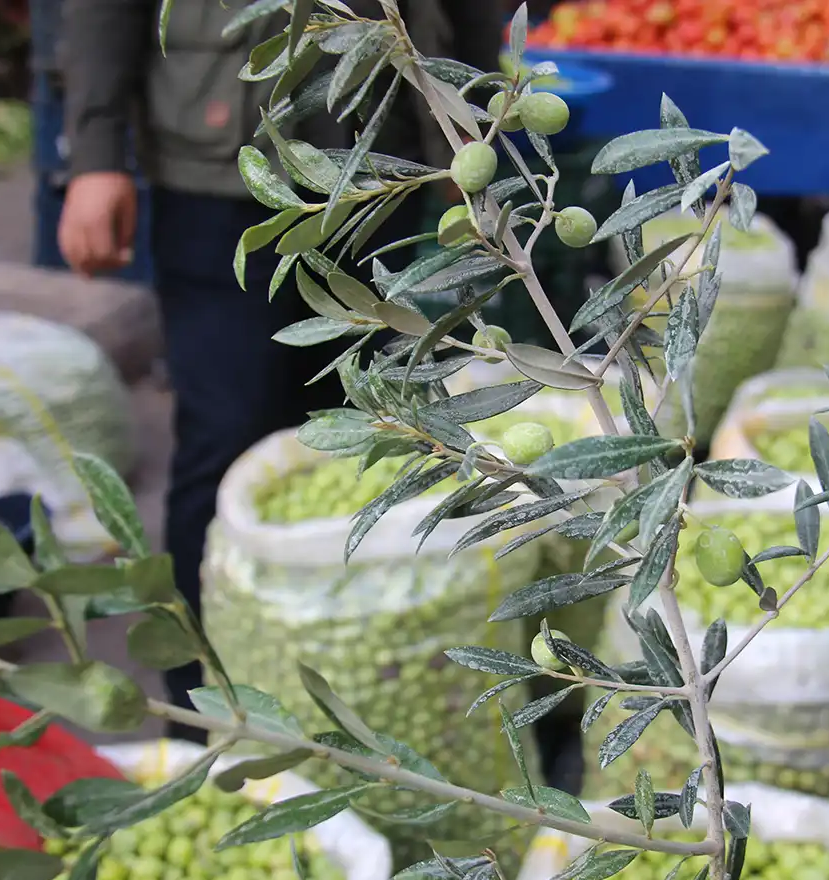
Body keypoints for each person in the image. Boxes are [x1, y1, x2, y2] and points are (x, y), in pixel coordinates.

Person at [57, 0, 501, 737]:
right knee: (226, 435)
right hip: (223, 157)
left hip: (376, 155)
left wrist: (469, 117)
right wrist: (95, 151)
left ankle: (345, 704)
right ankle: (204, 715)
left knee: (362, 436)